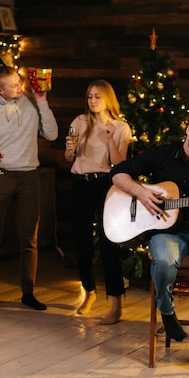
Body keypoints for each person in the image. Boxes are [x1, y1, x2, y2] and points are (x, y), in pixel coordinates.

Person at [110, 101, 189, 364]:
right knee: (165, 260)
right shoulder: (163, 155)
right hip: (166, 230)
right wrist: (142, 192)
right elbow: (117, 174)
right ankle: (167, 313)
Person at [0, 66, 58, 313]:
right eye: (14, 84)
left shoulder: (32, 103)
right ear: (0, 90)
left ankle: (28, 293)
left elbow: (51, 134)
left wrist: (42, 102)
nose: (21, 86)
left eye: (20, 82)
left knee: (29, 239)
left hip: (29, 176)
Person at [65, 79, 131, 324]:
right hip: (81, 183)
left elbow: (120, 163)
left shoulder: (120, 127)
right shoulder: (79, 122)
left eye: (97, 97)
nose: (92, 101)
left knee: (107, 242)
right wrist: (70, 149)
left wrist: (110, 139)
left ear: (108, 99)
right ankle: (89, 292)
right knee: (81, 241)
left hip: (106, 185)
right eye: (90, 96)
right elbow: (68, 157)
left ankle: (115, 303)